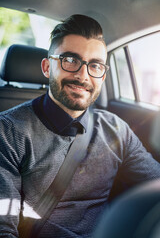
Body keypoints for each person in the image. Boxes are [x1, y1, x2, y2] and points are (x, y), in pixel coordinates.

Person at [0, 14, 159, 238]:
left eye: (95, 65)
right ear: (47, 67)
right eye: (70, 60)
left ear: (102, 76)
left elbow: (156, 186)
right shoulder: (7, 132)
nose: (82, 76)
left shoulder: (117, 130)